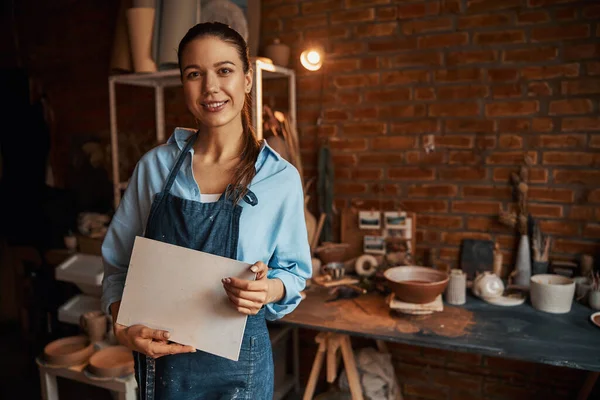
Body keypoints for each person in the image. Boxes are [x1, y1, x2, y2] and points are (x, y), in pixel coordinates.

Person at [101, 22, 312, 399]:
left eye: (225, 71)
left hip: (240, 375)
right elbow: (119, 265)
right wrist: (122, 327)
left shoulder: (279, 178)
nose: (211, 87)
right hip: (163, 368)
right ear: (183, 84)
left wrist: (267, 290)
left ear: (247, 79)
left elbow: (293, 275)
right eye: (194, 74)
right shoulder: (155, 167)